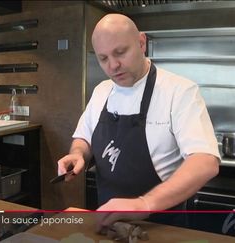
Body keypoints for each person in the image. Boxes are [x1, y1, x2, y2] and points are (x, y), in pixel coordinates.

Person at [57, 13, 220, 231]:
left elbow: (205, 161)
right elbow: (83, 137)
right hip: (107, 225)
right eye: (103, 58)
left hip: (161, 227)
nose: (113, 65)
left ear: (142, 43)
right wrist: (77, 154)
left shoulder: (179, 91)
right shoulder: (101, 91)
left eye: (121, 52)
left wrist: (144, 203)